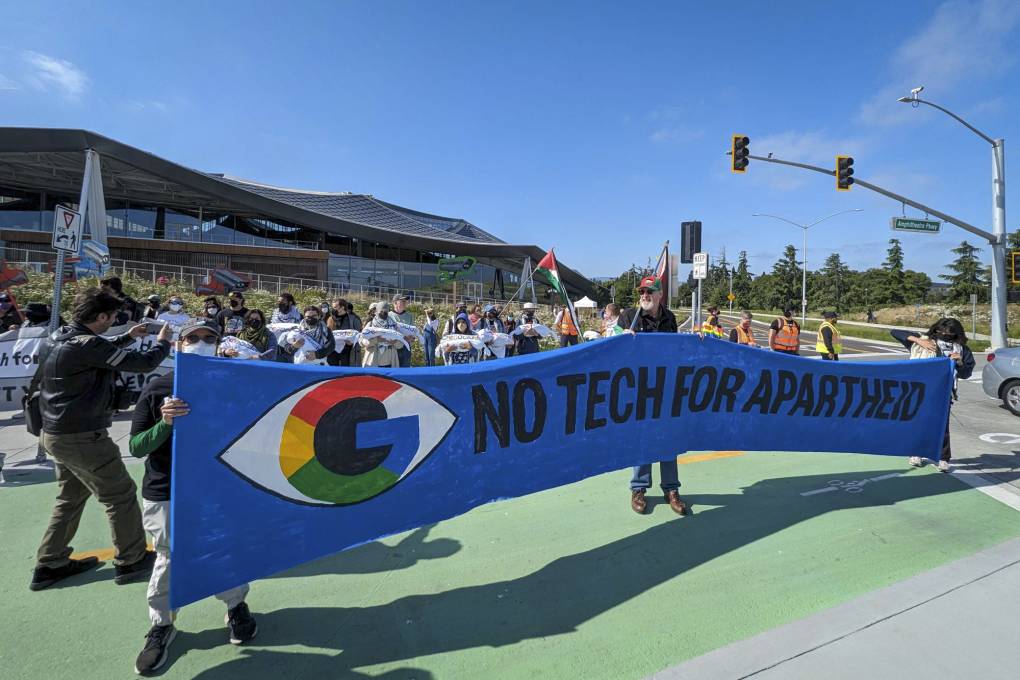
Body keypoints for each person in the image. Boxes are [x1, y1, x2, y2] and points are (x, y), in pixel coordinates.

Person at [129, 319, 258, 674]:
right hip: (165, 490)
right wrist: (165, 424)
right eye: (193, 338)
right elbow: (137, 446)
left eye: (208, 338)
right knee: (169, 558)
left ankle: (235, 606)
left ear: (219, 345)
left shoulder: (228, 385)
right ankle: (161, 625)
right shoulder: (158, 388)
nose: (200, 343)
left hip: (215, 488)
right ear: (178, 345)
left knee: (223, 549)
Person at [30, 289, 171, 592]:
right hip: (82, 436)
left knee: (70, 498)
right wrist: (164, 343)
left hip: (56, 433)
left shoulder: (59, 337)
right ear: (102, 317)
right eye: (114, 318)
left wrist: (127, 336)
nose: (115, 322)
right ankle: (131, 559)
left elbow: (98, 352)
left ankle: (50, 562)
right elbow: (143, 364)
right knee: (119, 494)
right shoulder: (89, 345)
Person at [616, 275, 688, 516]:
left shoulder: (669, 318)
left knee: (668, 439)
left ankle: (671, 490)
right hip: (639, 387)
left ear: (659, 295)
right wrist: (621, 337)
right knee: (644, 438)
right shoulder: (629, 316)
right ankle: (639, 489)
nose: (644, 296)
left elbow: (677, 349)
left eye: (649, 292)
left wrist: (697, 342)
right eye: (642, 293)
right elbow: (611, 340)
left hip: (665, 386)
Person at [891, 318, 975, 473]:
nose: (944, 335)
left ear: (956, 333)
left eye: (949, 333)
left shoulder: (962, 349)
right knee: (918, 423)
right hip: (920, 390)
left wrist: (960, 362)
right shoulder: (923, 342)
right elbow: (895, 332)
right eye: (940, 332)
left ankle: (943, 458)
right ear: (935, 329)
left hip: (943, 392)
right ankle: (916, 452)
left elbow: (966, 373)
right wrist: (918, 340)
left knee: (942, 426)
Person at [360, 301, 402, 367]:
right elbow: (362, 341)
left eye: (386, 312)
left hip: (390, 363)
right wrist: (376, 340)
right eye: (382, 311)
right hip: (373, 362)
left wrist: (395, 342)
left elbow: (401, 344)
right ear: (377, 311)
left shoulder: (394, 325)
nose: (384, 313)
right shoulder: (371, 324)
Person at [326, 298, 362, 367]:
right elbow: (328, 333)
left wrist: (352, 342)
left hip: (347, 350)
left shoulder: (353, 319)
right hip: (332, 350)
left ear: (342, 307)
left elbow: (359, 334)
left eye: (335, 307)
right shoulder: (330, 319)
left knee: (345, 371)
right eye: (333, 307)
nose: (333, 309)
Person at [389, 294, 415, 368]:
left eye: (405, 301)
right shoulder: (388, 316)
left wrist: (412, 338)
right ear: (395, 303)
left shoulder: (410, 316)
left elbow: (413, 333)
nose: (404, 302)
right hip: (393, 347)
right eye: (402, 301)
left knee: (405, 370)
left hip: (406, 348)